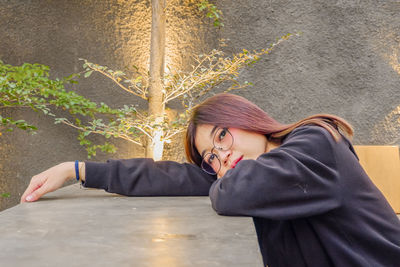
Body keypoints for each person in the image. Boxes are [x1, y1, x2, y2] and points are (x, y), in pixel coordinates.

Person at [21, 93, 400, 267]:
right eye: (211, 158)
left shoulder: (315, 139)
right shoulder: (252, 171)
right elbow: (172, 175)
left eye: (222, 136)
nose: (222, 156)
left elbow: (234, 192)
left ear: (247, 117)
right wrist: (79, 170)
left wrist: (222, 176)